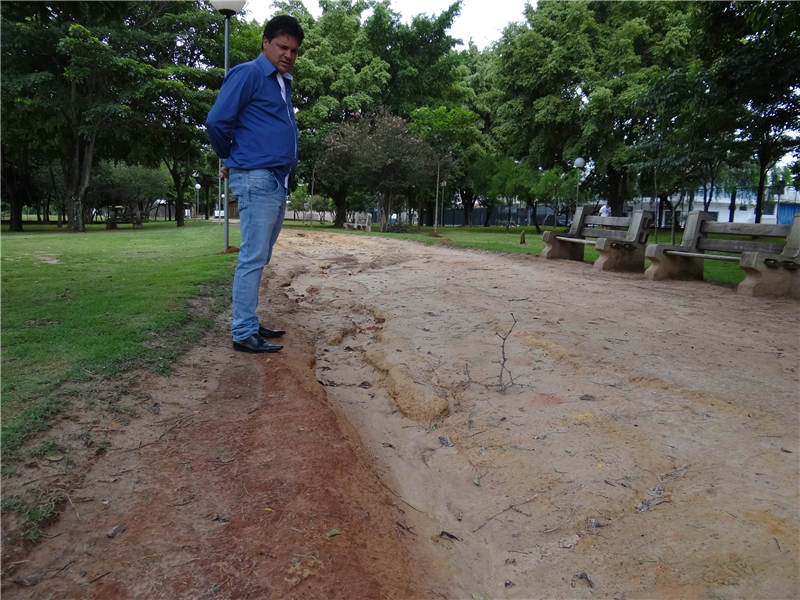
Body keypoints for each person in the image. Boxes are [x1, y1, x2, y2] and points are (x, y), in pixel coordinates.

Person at [206, 15, 304, 353]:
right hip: (258, 178)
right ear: (265, 43)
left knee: (259, 256)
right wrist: (231, 156)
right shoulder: (249, 73)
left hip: (276, 180)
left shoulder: (281, 81)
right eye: (282, 46)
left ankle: (248, 320)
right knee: (251, 257)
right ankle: (243, 331)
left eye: (293, 49)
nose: (288, 54)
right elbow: (217, 121)